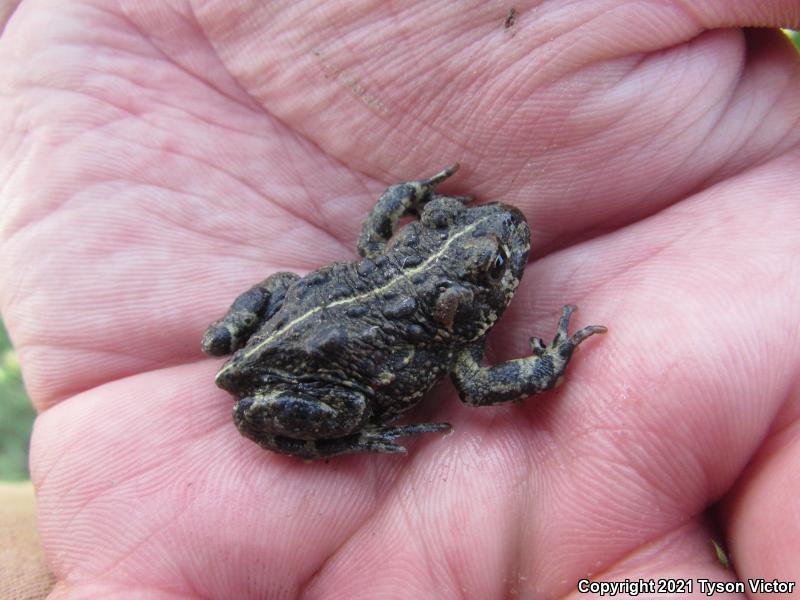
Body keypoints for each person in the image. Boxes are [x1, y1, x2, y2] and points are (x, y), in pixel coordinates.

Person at [1, 1, 798, 597]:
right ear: (468, 309)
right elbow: (483, 388)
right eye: (494, 267)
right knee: (333, 406)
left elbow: (387, 212)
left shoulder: (397, 255)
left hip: (301, 315)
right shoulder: (452, 343)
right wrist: (551, 361)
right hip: (306, 373)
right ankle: (335, 427)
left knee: (278, 298)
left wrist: (417, 195)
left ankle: (234, 340)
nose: (504, 240)